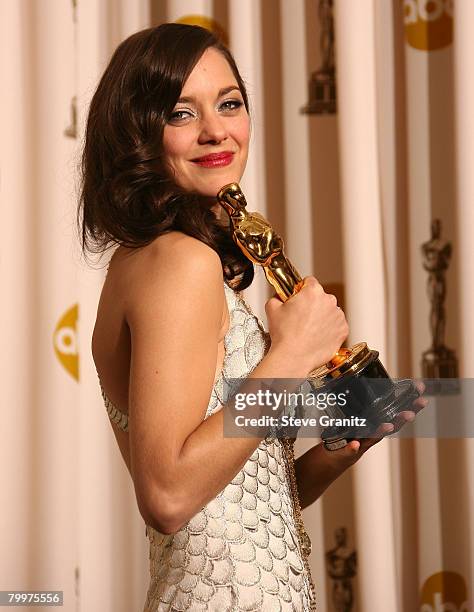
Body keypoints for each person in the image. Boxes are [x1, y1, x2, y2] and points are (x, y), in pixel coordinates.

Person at [78, 23, 426, 612]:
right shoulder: (177, 263)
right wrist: (289, 357)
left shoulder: (159, 261)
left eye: (229, 103)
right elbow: (166, 496)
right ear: (138, 133)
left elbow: (237, 505)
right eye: (181, 112)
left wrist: (336, 452)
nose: (216, 130)